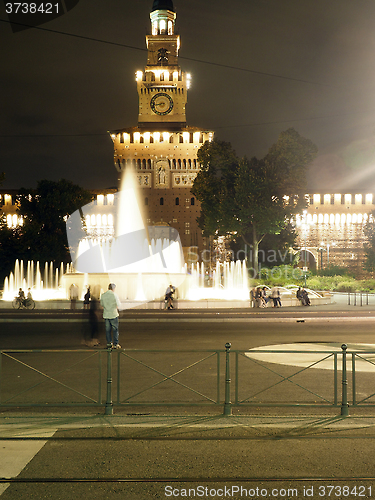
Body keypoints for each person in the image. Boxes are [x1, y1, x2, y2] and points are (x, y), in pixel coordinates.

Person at [100, 283, 122, 349]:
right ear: (114, 288)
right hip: (113, 314)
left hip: (106, 314)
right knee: (115, 330)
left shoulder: (103, 295)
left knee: (107, 330)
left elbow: (102, 304)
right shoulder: (114, 295)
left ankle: (109, 343)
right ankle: (116, 344)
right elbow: (119, 304)